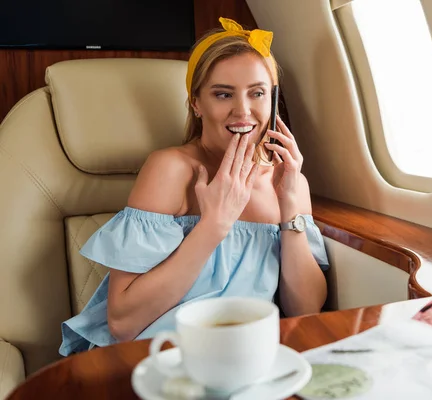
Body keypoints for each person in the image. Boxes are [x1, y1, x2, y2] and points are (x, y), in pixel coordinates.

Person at [59, 17, 329, 356]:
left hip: (243, 355)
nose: (243, 111)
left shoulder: (290, 182)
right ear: (196, 103)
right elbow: (123, 323)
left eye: (257, 93)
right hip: (159, 357)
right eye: (223, 94)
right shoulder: (169, 170)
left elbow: (305, 311)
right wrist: (214, 225)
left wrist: (290, 204)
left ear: (272, 102)